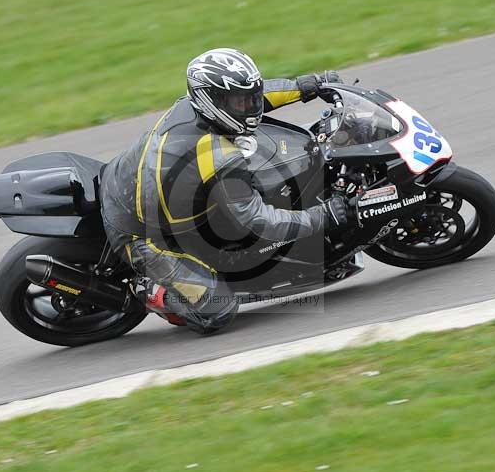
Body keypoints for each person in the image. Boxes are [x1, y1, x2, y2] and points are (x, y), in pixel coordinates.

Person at [100, 48, 348, 334]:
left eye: (250, 98)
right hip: (140, 234)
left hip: (130, 183)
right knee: (217, 310)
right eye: (241, 102)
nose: (251, 107)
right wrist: (321, 216)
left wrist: (306, 86)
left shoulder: (194, 106)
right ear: (213, 101)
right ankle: (146, 288)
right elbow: (258, 221)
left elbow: (258, 95)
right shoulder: (215, 156)